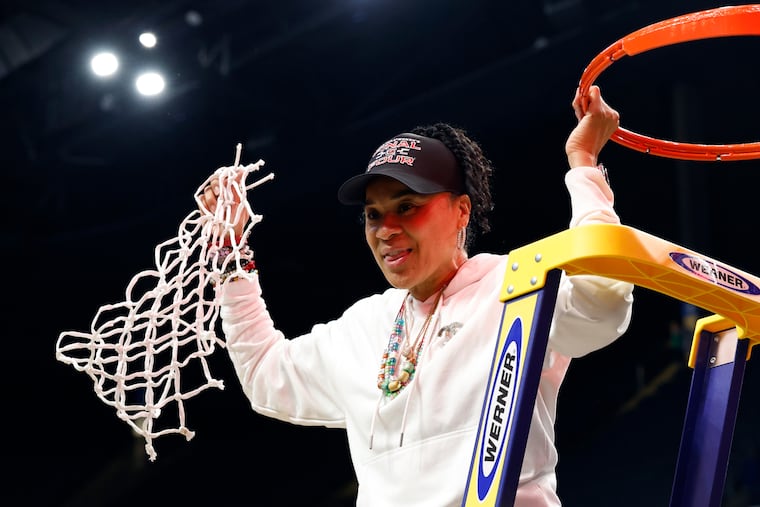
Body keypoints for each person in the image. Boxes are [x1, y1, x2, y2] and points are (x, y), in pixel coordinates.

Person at [199, 84, 634, 506]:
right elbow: (265, 376)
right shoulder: (363, 327)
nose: (386, 230)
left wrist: (583, 165)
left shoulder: (516, 285)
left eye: (407, 206)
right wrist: (229, 250)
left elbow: (604, 297)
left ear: (462, 209)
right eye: (373, 215)